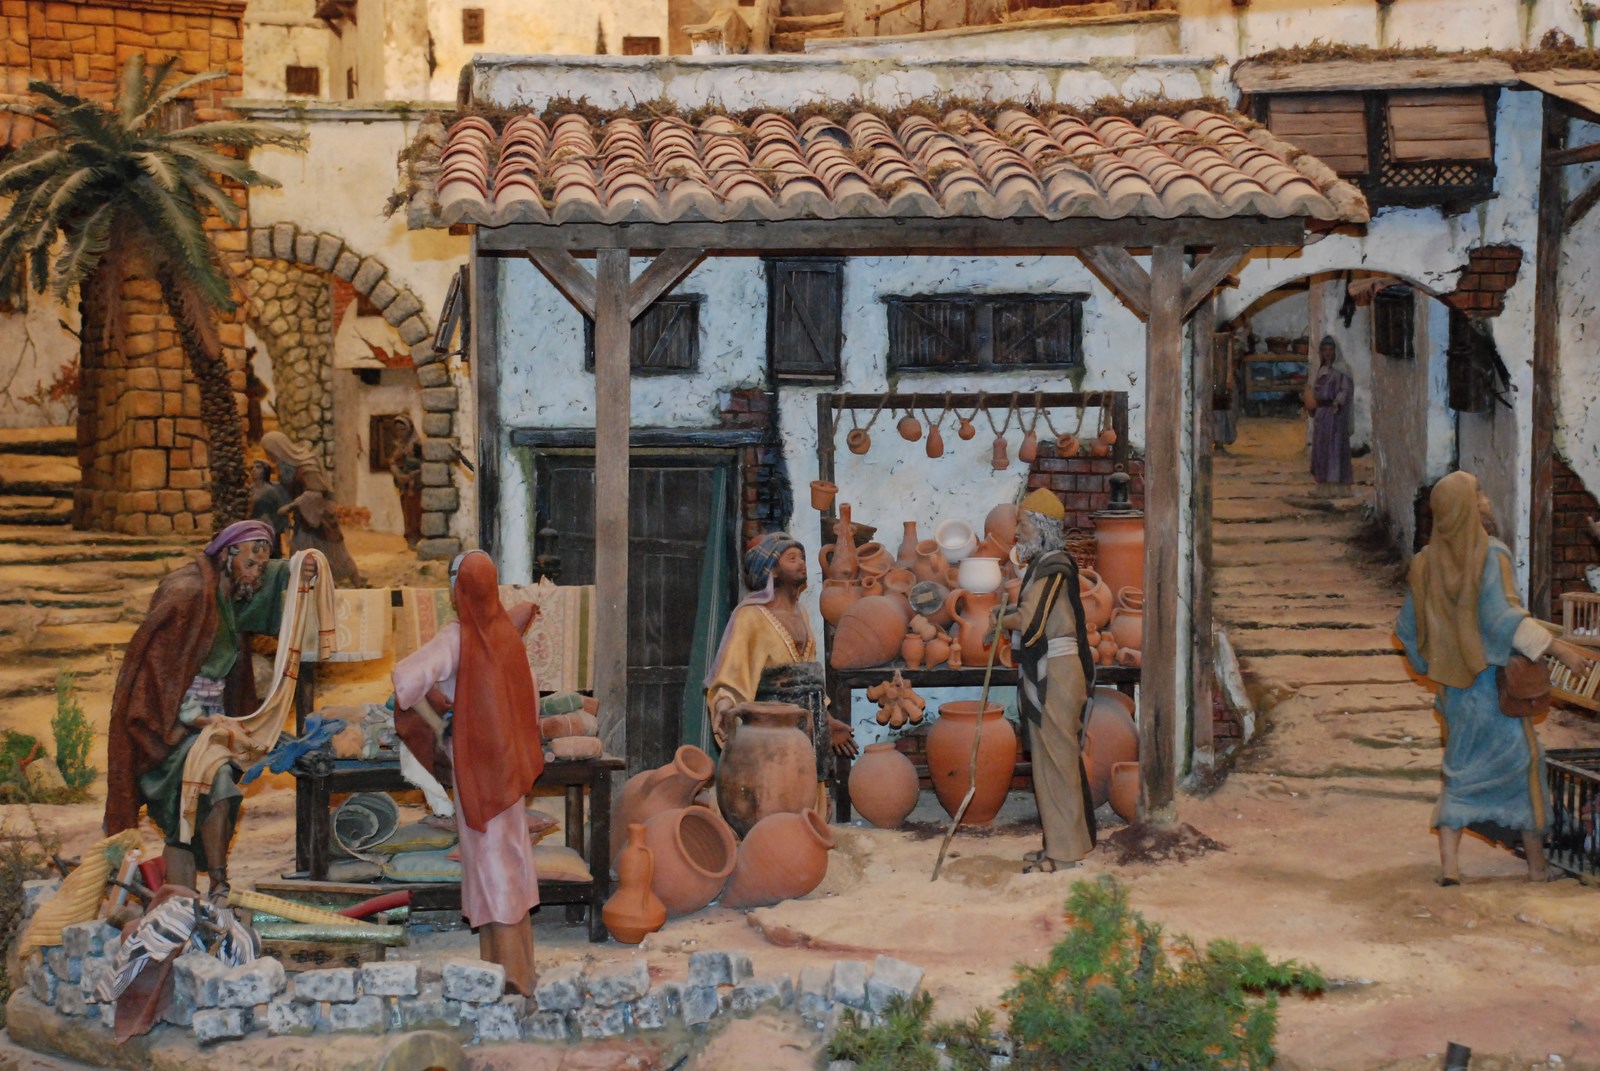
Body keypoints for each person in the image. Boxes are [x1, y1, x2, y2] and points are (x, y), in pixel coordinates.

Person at [1397, 471, 1592, 885]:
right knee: (1526, 767)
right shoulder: (1491, 554)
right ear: (1465, 508)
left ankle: (1450, 868)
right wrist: (1558, 649)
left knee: (1460, 771)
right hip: (1492, 691)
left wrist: (1436, 665)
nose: (1485, 500)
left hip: (1455, 694)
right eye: (1479, 493)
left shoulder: (1425, 562)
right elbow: (1504, 619)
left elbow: (1406, 630)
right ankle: (1537, 869)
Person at [104, 520, 317, 896]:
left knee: (200, 807)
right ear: (227, 555)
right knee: (215, 790)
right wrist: (192, 722)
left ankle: (198, 893)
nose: (256, 574)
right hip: (171, 729)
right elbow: (158, 674)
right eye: (250, 564)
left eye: (261, 567)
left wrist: (298, 567)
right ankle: (215, 885)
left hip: (214, 723)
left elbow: (265, 577)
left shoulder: (231, 591)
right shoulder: (186, 595)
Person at [392, 551, 541, 995]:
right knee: (511, 861)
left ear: (458, 590)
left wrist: (439, 719)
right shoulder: (506, 635)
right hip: (509, 768)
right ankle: (517, 969)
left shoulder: (457, 638)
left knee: (490, 864)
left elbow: (405, 680)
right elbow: (529, 703)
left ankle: (508, 978)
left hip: (476, 767)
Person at [705, 532, 857, 811]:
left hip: (809, 733)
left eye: (802, 557)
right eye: (792, 558)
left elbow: (808, 680)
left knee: (809, 805)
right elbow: (732, 673)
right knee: (776, 800)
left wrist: (827, 720)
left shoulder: (803, 614)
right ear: (772, 569)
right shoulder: (750, 617)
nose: (802, 563)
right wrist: (725, 704)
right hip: (772, 735)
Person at [994, 488, 1096, 872]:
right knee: (1046, 762)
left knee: (1058, 762)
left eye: (1022, 524)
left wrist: (1000, 619)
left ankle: (1065, 855)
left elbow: (1033, 622)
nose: (1016, 531)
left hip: (1058, 674)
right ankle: (1058, 845)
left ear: (1041, 527)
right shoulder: (1042, 566)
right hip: (1048, 672)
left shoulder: (1055, 567)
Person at [261, 430, 365, 585]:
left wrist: (291, 506)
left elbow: (316, 492)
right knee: (299, 553)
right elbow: (288, 488)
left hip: (319, 516)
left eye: (270, 452)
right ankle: (302, 587)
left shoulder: (307, 465)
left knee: (335, 554)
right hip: (304, 518)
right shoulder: (285, 466)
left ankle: (357, 583)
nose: (269, 456)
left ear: (279, 449)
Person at [1308, 335, 1354, 492]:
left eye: (1330, 349)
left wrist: (1338, 402)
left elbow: (1345, 389)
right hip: (1321, 414)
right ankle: (1323, 484)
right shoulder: (1321, 369)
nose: (1327, 353)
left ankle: (1336, 485)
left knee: (1334, 448)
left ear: (1335, 351)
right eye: (1324, 349)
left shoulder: (1341, 370)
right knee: (1321, 447)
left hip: (1335, 416)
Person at [388, 416, 424, 549]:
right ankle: (410, 537)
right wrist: (399, 475)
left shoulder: (417, 445)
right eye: (397, 430)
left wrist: (412, 475)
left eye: (402, 429)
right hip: (404, 486)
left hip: (416, 487)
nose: (400, 433)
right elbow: (393, 462)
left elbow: (423, 464)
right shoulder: (399, 446)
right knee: (407, 513)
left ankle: (418, 537)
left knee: (416, 512)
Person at [248, 459, 290, 558]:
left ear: (265, 471)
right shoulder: (249, 489)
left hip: (268, 529)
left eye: (258, 467)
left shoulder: (270, 491)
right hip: (253, 528)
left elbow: (282, 511)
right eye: (252, 468)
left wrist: (287, 534)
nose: (254, 470)